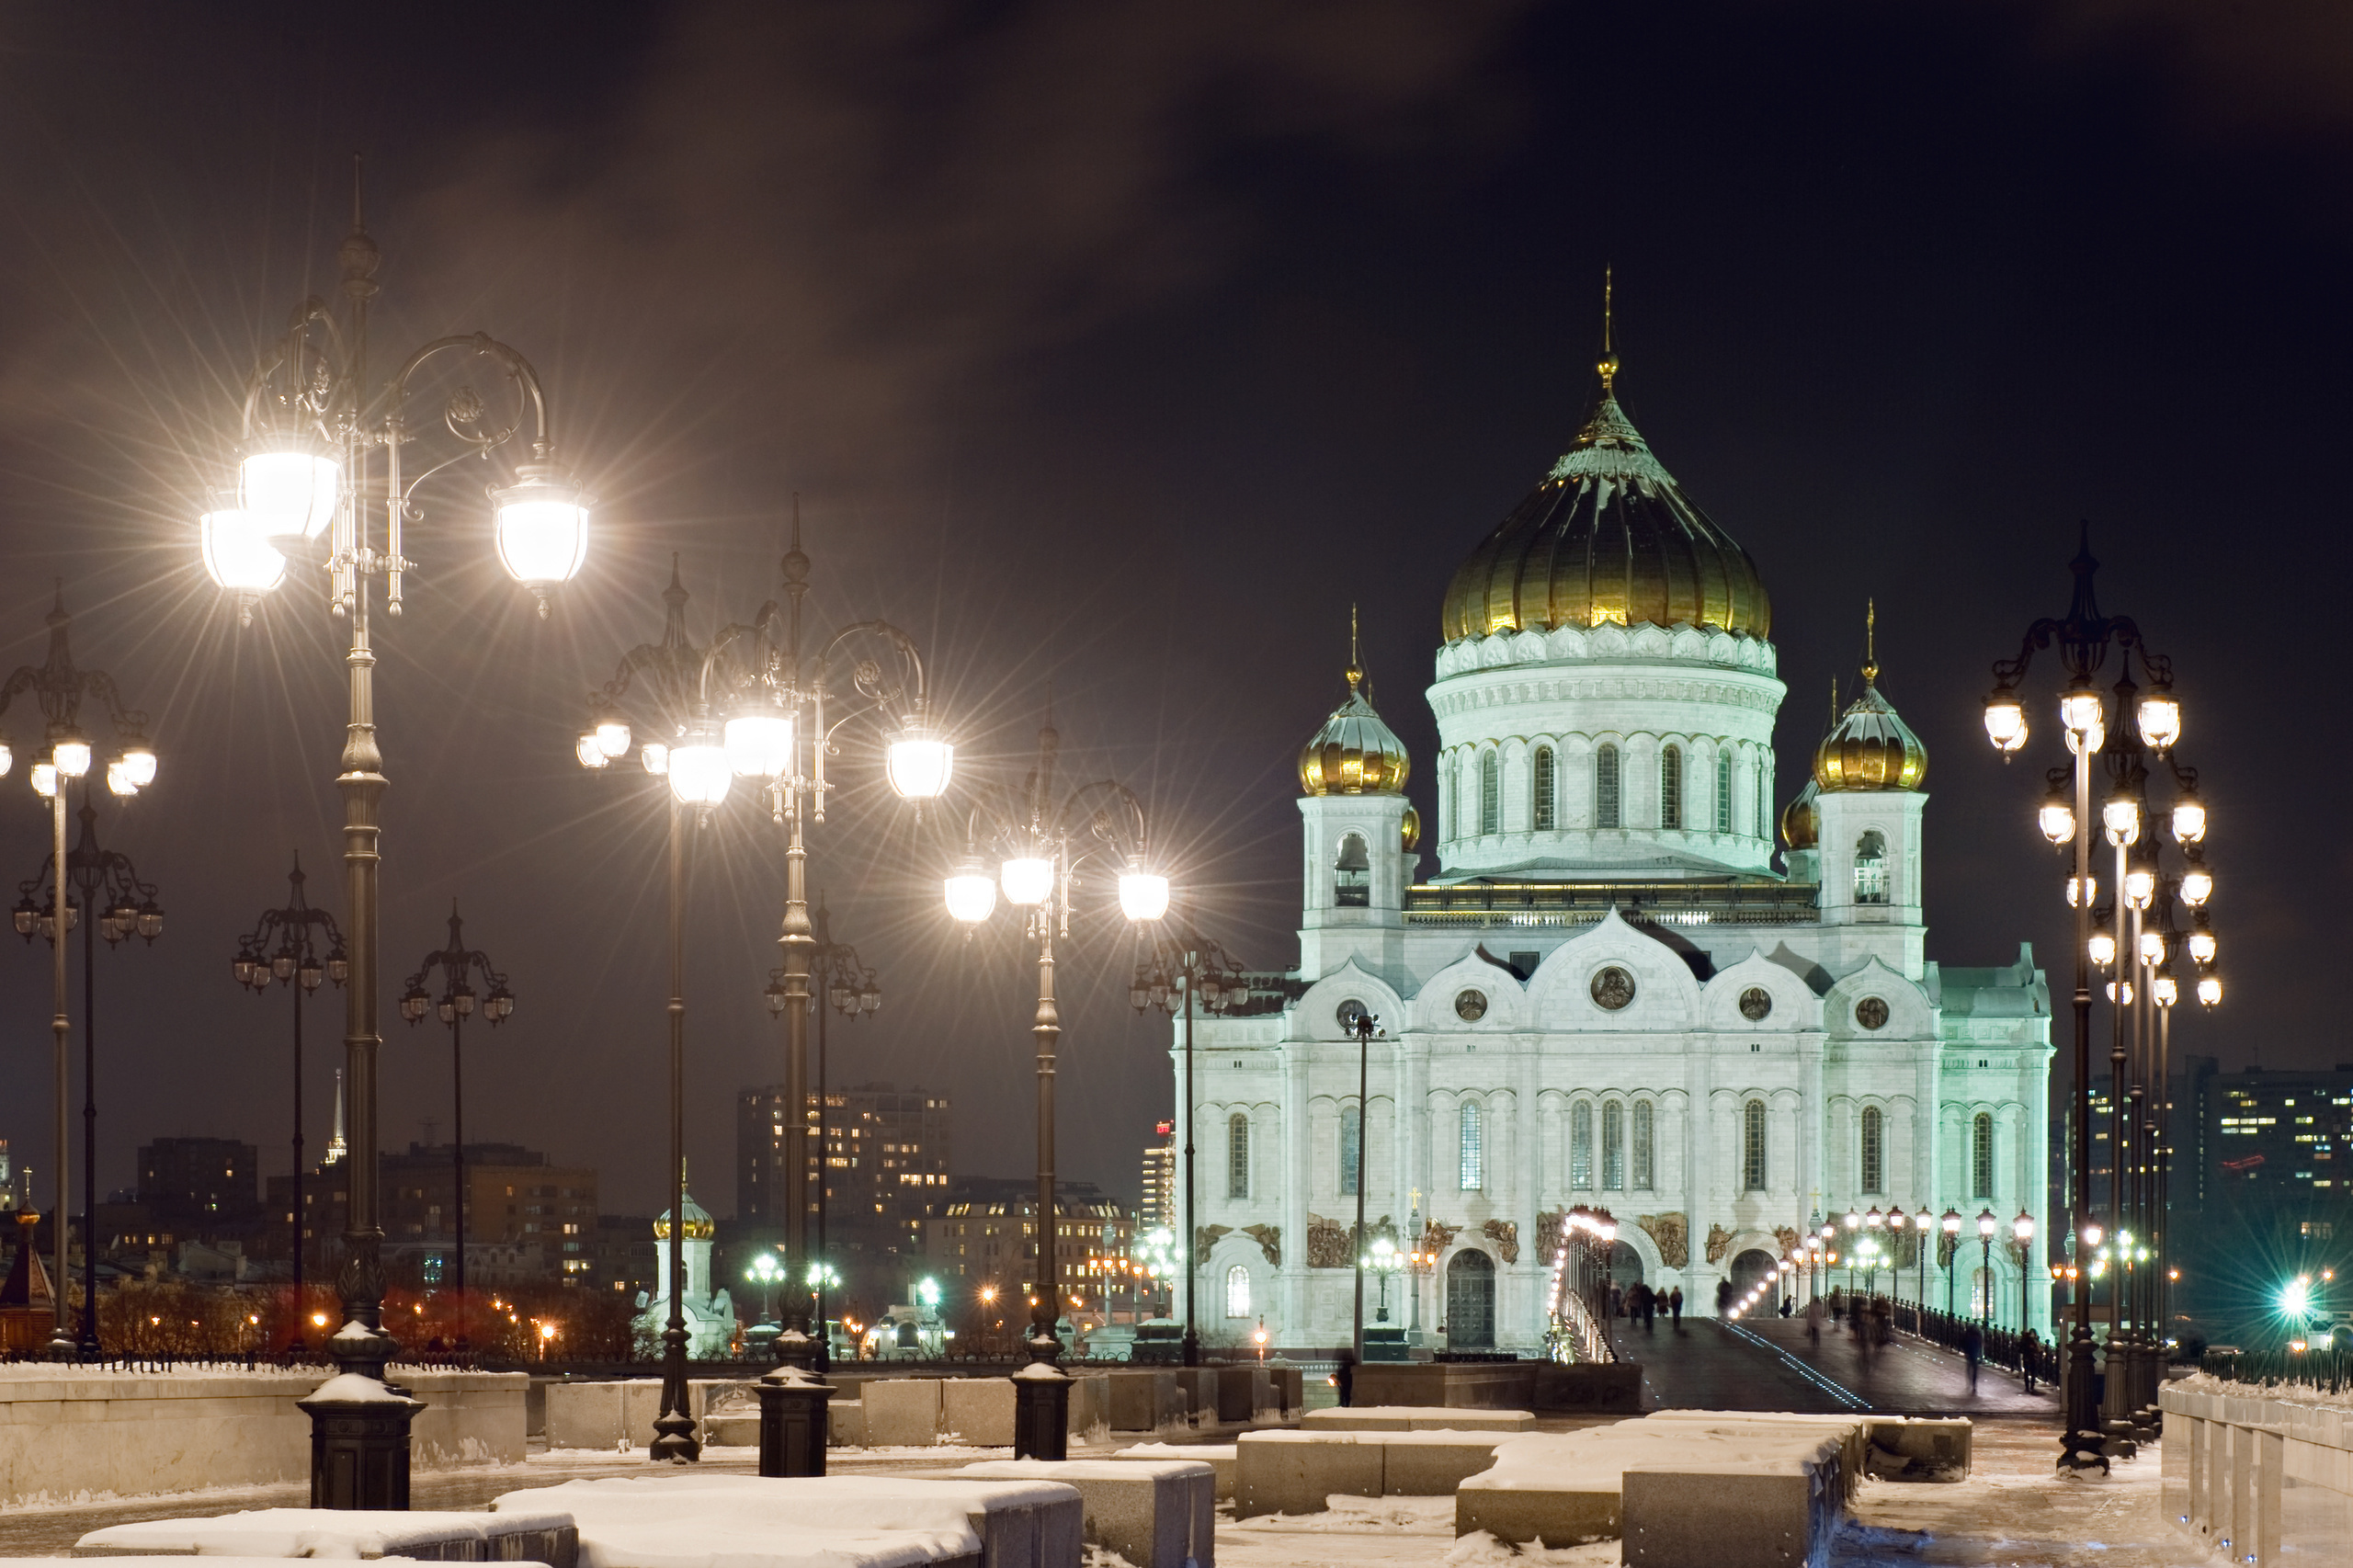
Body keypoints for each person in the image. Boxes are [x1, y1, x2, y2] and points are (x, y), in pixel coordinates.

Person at [1961, 1319, 1984, 1393]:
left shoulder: (1967, 1335)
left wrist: (1966, 1352)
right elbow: (1980, 1345)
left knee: (1969, 1367)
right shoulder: (1978, 1336)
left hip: (1970, 1353)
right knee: (1974, 1369)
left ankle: (1971, 1382)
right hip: (1975, 1353)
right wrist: (1980, 1355)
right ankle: (1974, 1384)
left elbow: (1963, 1344)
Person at [2021, 1326, 2040, 1394]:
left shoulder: (2026, 1340)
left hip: (2029, 1358)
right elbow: (2038, 1349)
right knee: (2030, 1373)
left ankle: (2030, 1387)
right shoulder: (2030, 1340)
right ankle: (2030, 1387)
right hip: (2031, 1358)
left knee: (2030, 1373)